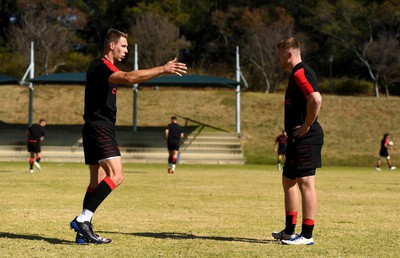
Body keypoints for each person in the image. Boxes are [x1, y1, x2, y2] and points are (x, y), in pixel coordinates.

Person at [69, 28, 187, 244]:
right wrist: (162, 69)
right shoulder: (101, 66)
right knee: (117, 175)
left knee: (96, 182)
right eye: (123, 46)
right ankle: (82, 220)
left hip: (94, 128)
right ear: (112, 45)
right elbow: (130, 77)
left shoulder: (105, 68)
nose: (126, 51)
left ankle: (83, 233)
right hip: (100, 128)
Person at [271, 37, 324, 245]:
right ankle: (289, 230)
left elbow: (316, 99)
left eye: (279, 55)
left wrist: (307, 125)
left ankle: (307, 236)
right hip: (295, 138)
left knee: (306, 183)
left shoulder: (301, 72)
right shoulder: (295, 74)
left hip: (306, 137)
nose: (278, 60)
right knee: (288, 181)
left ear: (289, 54)